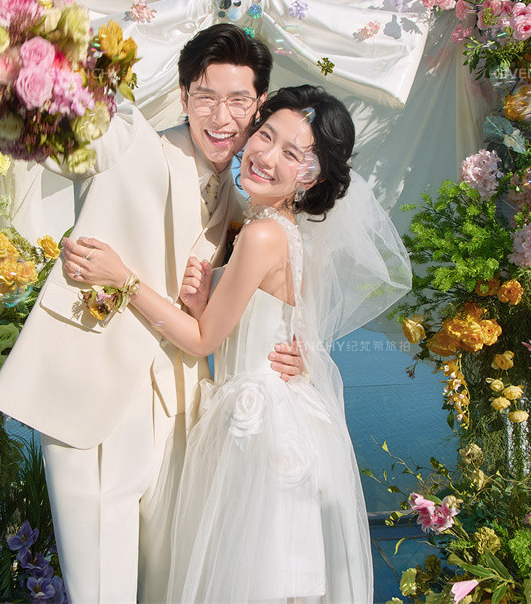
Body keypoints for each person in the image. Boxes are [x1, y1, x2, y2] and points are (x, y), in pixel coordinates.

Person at [0, 23, 305, 603]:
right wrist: (25, 61)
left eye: (239, 101)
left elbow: (264, 292)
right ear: (183, 96)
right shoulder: (132, 140)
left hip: (184, 406)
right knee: (100, 589)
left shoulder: (241, 201)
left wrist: (288, 349)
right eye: (205, 97)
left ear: (258, 105)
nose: (222, 117)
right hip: (94, 390)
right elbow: (89, 129)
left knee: (170, 583)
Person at [63, 85, 411, 603]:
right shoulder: (281, 230)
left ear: (311, 176)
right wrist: (206, 301)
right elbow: (257, 325)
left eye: (291, 153)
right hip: (276, 413)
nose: (265, 156)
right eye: (265, 136)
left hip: (255, 425)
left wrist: (122, 279)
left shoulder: (262, 235)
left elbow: (202, 341)